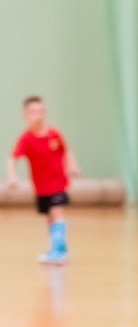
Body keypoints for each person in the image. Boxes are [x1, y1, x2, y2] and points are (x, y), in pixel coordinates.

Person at [8, 96, 79, 265]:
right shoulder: (26, 139)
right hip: (41, 188)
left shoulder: (54, 134)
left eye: (41, 111)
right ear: (25, 115)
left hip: (58, 184)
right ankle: (60, 248)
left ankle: (57, 252)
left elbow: (66, 151)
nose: (38, 116)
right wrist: (12, 176)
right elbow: (12, 158)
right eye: (33, 112)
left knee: (57, 211)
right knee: (50, 217)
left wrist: (72, 166)